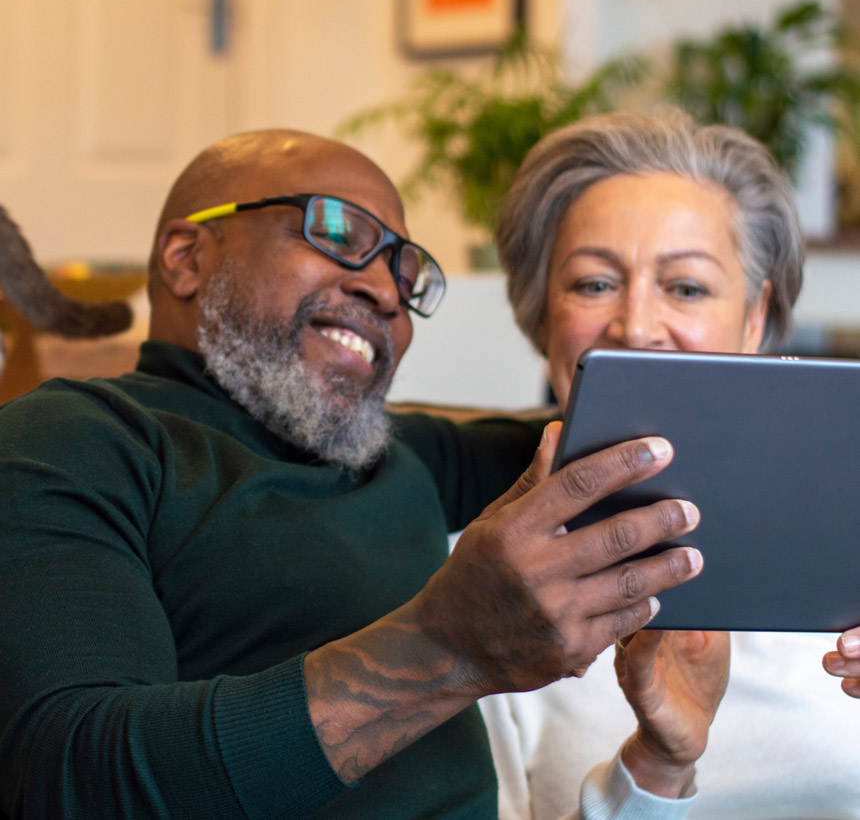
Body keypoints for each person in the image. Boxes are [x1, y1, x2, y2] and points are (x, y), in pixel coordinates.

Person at [0, 128, 707, 819]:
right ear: (187, 256)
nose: (386, 292)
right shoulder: (77, 438)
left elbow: (653, 435)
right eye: (337, 234)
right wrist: (447, 648)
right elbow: (69, 778)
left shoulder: (403, 456)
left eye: (406, 273)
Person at [487, 108, 860, 818]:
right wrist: (656, 768)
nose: (636, 325)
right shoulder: (477, 587)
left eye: (685, 287)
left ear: (756, 318)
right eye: (594, 284)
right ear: (543, 318)